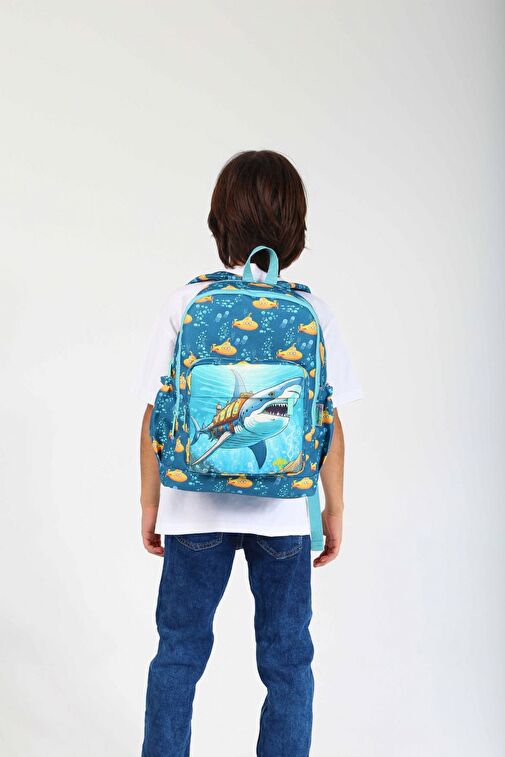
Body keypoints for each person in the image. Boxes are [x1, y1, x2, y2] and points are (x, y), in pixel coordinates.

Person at [135, 150, 362, 756]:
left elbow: (155, 413)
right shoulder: (311, 310)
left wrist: (151, 503)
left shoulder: (186, 303)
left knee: (178, 653)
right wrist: (334, 509)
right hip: (285, 515)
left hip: (193, 511)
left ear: (218, 223)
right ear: (297, 230)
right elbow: (330, 420)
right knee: (288, 662)